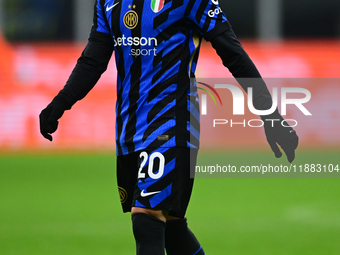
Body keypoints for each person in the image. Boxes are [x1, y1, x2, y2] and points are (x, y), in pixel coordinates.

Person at [39, 0, 299, 254]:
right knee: (171, 227)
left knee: (146, 217)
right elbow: (92, 61)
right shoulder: (108, 3)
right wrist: (60, 103)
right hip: (129, 129)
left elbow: (234, 54)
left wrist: (270, 114)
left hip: (173, 123)